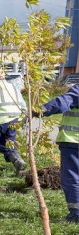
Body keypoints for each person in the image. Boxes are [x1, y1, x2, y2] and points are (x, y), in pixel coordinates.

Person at [36, 82, 79, 223]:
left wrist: (40, 110)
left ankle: (76, 214)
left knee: (72, 178)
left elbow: (62, 103)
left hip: (73, 142)